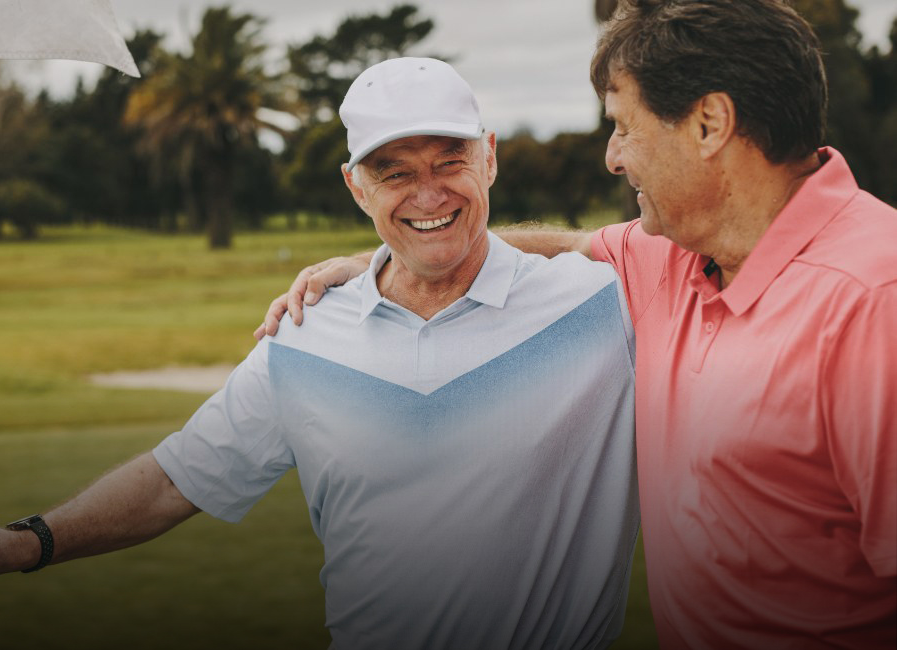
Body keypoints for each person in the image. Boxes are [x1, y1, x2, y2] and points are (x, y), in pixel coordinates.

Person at [0, 57, 640, 649]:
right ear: (357, 187)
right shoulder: (306, 333)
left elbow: (674, 236)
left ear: (489, 160)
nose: (428, 192)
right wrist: (23, 544)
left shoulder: (600, 304)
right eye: (394, 172)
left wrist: (377, 255)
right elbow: (176, 480)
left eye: (450, 159)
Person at [257, 1, 897, 648]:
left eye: (624, 126)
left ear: (709, 123)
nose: (613, 157)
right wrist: (384, 260)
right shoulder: (670, 254)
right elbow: (564, 244)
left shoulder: (876, 305)